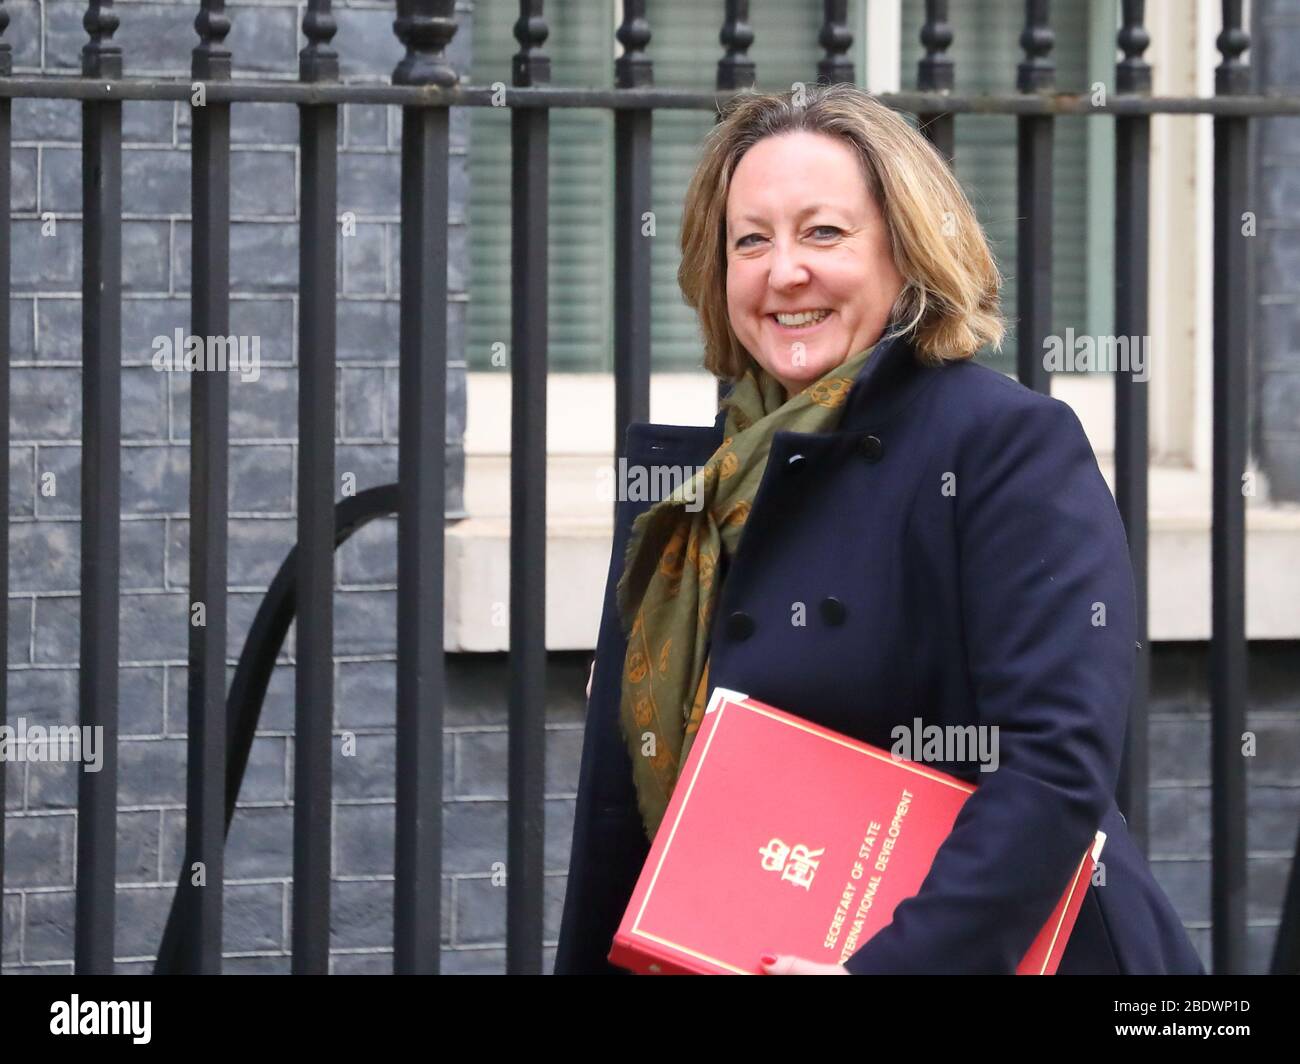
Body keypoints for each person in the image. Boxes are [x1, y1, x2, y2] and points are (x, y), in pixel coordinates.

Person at [555, 83, 1205, 975]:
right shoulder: (712, 481)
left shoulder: (1003, 444)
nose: (785, 271)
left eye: (824, 233)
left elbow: (1052, 766)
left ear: (908, 250)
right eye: (752, 240)